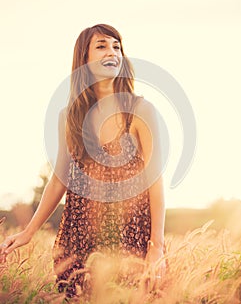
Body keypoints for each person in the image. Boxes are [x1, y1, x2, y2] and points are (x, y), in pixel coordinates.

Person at [0, 24, 166, 299]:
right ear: (84, 60)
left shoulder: (140, 110)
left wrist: (156, 245)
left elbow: (155, 180)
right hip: (77, 239)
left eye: (117, 46)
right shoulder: (69, 116)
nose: (112, 52)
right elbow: (59, 179)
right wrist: (28, 232)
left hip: (131, 237)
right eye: (101, 46)